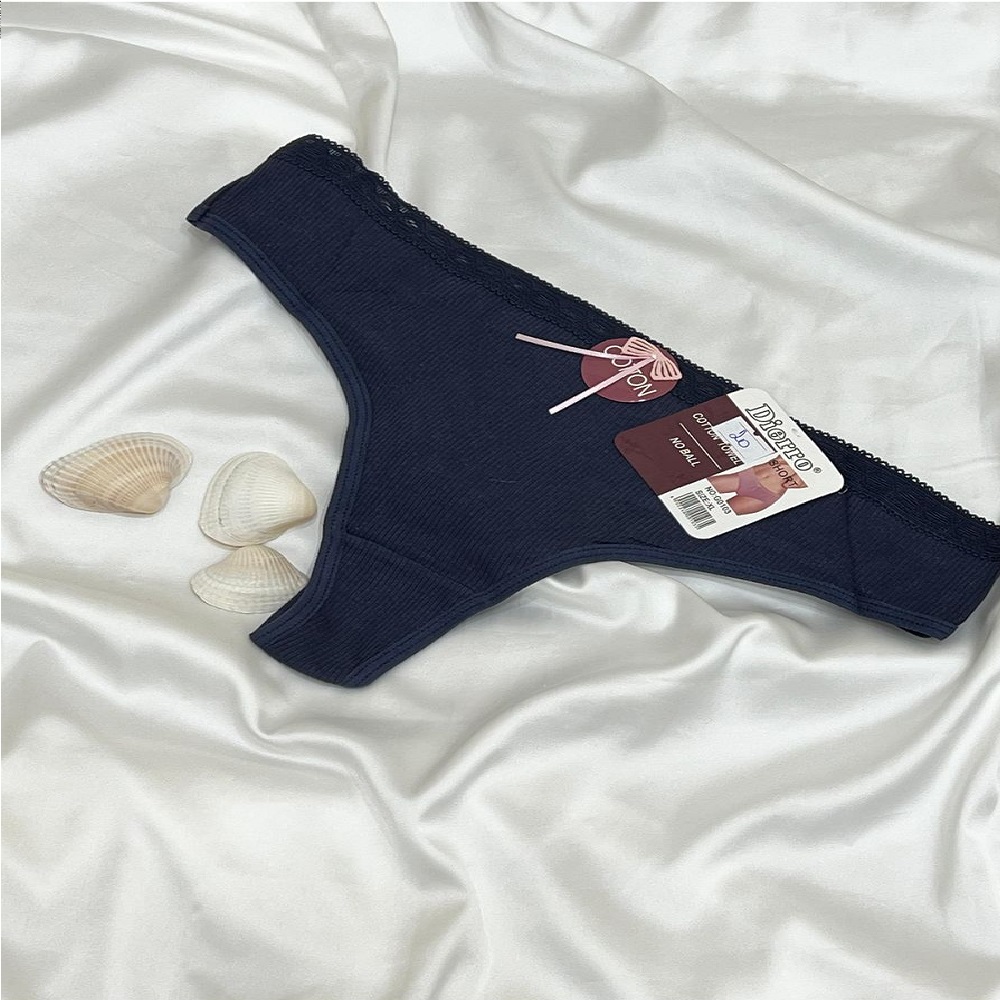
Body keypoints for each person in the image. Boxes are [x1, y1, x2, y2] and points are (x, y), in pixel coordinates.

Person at [708, 456, 806, 515]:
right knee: (701, 486)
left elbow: (788, 484)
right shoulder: (798, 443)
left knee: (718, 515)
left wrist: (798, 472)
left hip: (764, 495)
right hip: (748, 477)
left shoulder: (814, 472)